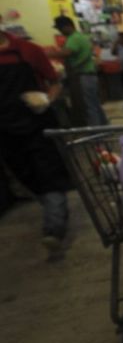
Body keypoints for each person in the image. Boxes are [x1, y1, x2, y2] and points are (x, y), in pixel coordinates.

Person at [0, 28, 71, 260]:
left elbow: (55, 80)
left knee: (49, 173)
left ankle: (54, 229)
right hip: (6, 133)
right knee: (27, 176)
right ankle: (56, 210)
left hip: (38, 126)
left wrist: (46, 99)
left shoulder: (28, 50)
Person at [49, 15, 109, 126]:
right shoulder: (80, 36)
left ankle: (96, 132)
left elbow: (66, 53)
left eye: (60, 28)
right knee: (94, 104)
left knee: (89, 106)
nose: (59, 31)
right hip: (89, 76)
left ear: (67, 26)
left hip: (83, 76)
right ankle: (104, 127)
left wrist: (45, 54)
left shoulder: (74, 38)